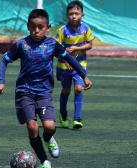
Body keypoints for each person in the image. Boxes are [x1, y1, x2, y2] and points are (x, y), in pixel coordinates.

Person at [0, 9, 92, 168]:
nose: (36, 30)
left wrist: (84, 75)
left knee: (49, 127)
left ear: (48, 27)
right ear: (28, 26)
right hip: (24, 91)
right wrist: (1, 81)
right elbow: (4, 61)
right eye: (33, 27)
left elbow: (70, 59)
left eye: (40, 27)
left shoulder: (52, 44)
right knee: (32, 126)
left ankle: (48, 139)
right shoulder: (21, 44)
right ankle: (44, 161)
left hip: (44, 93)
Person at [56, 0, 95, 129]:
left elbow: (90, 44)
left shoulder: (85, 28)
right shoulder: (62, 30)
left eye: (77, 13)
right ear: (67, 15)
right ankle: (63, 114)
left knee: (79, 88)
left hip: (80, 64)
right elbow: (57, 47)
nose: (74, 16)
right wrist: (65, 54)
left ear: (82, 15)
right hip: (64, 66)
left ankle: (77, 118)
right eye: (71, 13)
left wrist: (76, 49)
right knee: (66, 90)